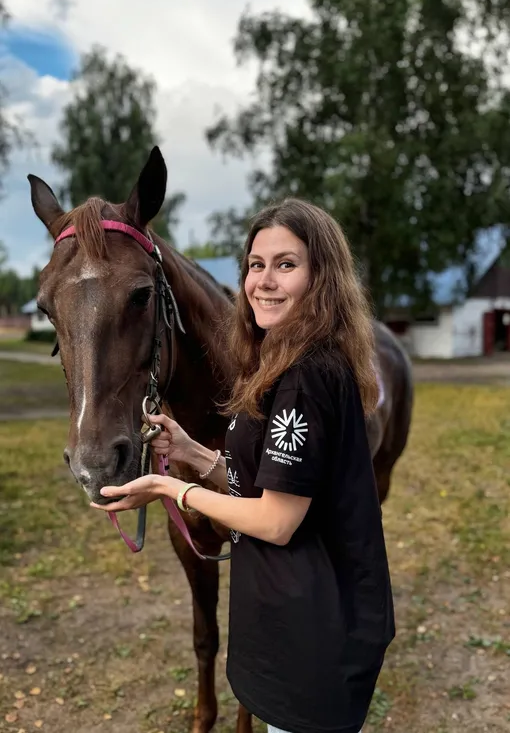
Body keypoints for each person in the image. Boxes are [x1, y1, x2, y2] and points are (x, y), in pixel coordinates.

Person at [92, 198, 395, 733]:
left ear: (321, 277)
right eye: (257, 265)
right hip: (297, 620)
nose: (264, 281)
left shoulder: (305, 376)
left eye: (287, 264)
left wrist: (171, 488)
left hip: (314, 634)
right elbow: (264, 485)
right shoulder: (283, 362)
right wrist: (192, 453)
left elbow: (275, 521)